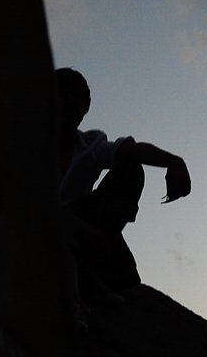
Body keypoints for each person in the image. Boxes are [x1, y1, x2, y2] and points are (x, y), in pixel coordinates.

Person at [55, 67, 190, 296]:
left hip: (82, 224)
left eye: (76, 97)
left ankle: (93, 262)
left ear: (86, 107)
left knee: (130, 168)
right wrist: (76, 227)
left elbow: (131, 151)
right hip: (37, 227)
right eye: (61, 94)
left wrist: (174, 161)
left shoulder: (89, 145)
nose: (68, 102)